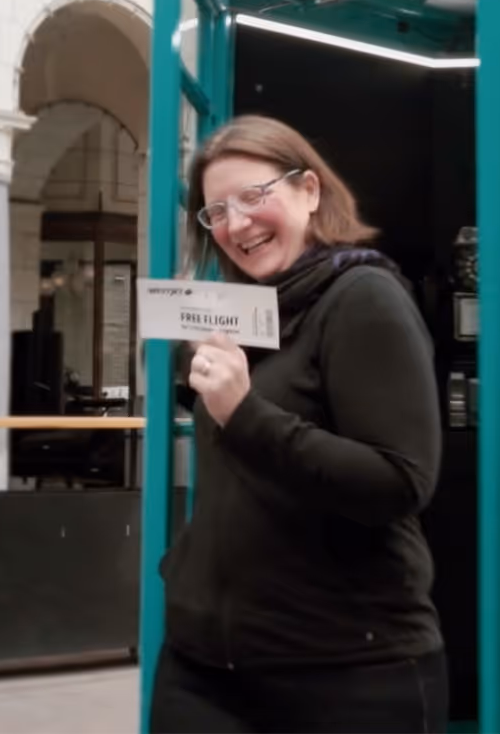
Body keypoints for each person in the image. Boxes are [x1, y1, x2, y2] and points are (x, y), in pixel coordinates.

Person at [149, 115, 447, 734]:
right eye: (216, 211)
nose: (236, 224)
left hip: (344, 672)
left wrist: (244, 412)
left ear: (309, 191)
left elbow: (399, 481)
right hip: (203, 669)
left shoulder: (362, 297)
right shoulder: (250, 312)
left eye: (253, 196)